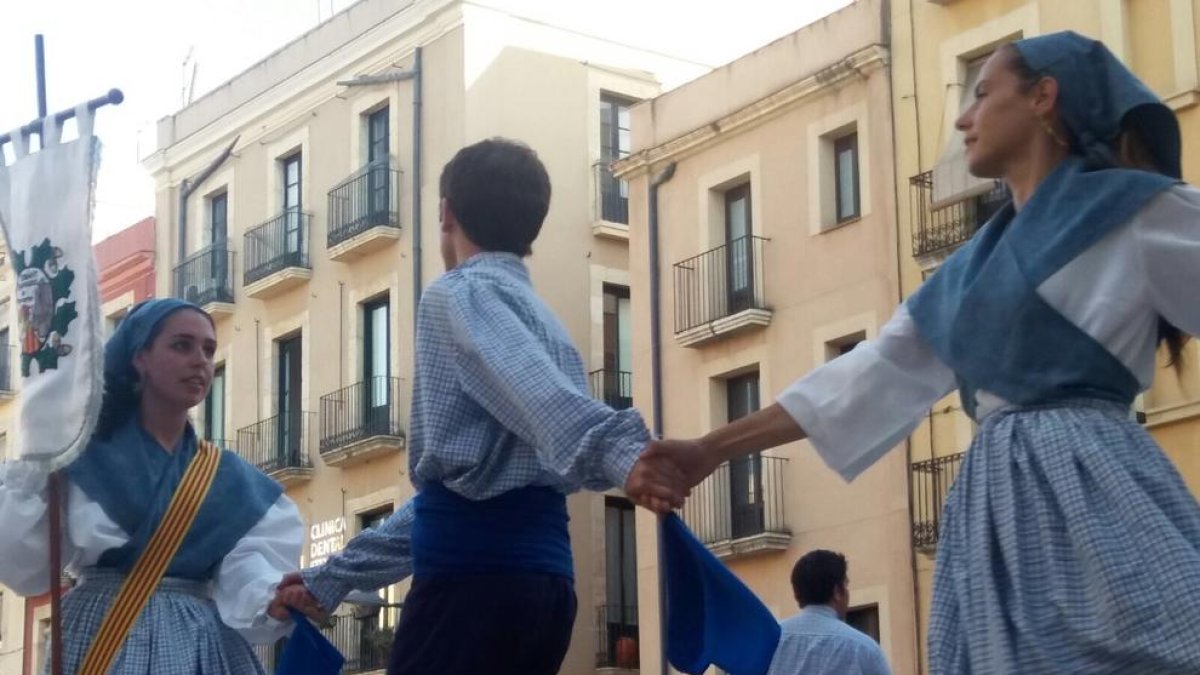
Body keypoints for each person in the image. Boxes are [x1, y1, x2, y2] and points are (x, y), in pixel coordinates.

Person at [634, 32, 1200, 674]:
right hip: (995, 512)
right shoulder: (967, 273)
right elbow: (871, 372)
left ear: (1044, 97)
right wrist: (712, 448)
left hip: (1095, 490)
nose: (963, 117)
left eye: (983, 93)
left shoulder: (1138, 214)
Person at [273, 138, 681, 675]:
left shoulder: (455, 295)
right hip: (543, 589)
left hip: (471, 590)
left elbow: (535, 406)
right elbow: (468, 497)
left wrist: (629, 457)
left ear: (446, 213)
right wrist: (335, 575)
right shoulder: (548, 325)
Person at [0, 298, 304, 674]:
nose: (200, 361)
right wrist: (37, 467)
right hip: (101, 632)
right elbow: (24, 567)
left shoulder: (231, 480)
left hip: (199, 645)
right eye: (182, 345)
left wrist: (270, 598)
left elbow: (244, 569)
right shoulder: (79, 458)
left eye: (208, 350)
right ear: (138, 357)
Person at [766, 550, 890, 675]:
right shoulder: (863, 649)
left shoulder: (770, 641)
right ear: (837, 592)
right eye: (846, 585)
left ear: (797, 594)